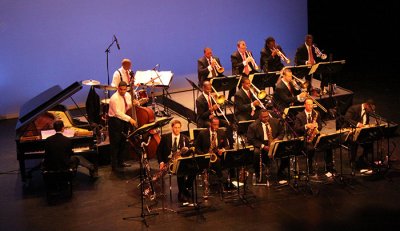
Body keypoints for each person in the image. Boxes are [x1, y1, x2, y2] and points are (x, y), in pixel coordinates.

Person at [294, 98, 335, 175]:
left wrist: (317, 126)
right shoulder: (299, 116)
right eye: (308, 104)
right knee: (310, 149)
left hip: (315, 136)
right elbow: (296, 129)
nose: (310, 106)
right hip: (305, 138)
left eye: (311, 104)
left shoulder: (316, 113)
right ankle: (310, 168)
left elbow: (320, 126)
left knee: (329, 145)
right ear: (305, 105)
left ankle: (329, 167)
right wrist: (306, 126)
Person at [156, 120, 193, 202]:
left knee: (193, 169)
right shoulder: (165, 137)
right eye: (175, 127)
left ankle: (184, 188)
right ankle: (182, 192)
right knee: (181, 170)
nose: (177, 130)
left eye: (178, 128)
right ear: (172, 127)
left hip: (180, 161)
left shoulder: (184, 138)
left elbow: (188, 152)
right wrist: (161, 162)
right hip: (169, 162)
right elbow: (159, 151)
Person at [108, 81, 139, 172]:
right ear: (118, 88)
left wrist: (135, 103)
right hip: (115, 121)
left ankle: (121, 162)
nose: (123, 91)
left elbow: (129, 105)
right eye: (121, 89)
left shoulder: (128, 95)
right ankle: (114, 165)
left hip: (124, 120)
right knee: (115, 143)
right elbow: (118, 113)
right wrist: (130, 119)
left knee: (123, 141)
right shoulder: (114, 98)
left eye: (125, 89)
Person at [247, 109, 284, 180]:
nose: (266, 118)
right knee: (256, 153)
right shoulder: (253, 126)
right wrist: (263, 146)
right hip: (261, 143)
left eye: (267, 116)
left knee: (286, 149)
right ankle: (257, 173)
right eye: (264, 117)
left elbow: (282, 132)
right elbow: (251, 139)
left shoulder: (275, 121)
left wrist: (277, 139)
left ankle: (281, 171)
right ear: (259, 117)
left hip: (274, 142)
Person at [195, 81, 234, 147]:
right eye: (208, 89)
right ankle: (215, 145)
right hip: (205, 120)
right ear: (203, 88)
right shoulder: (199, 100)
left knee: (227, 123)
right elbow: (202, 116)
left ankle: (230, 144)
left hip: (213, 118)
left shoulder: (212, 96)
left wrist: (219, 105)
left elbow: (219, 111)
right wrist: (211, 110)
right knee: (211, 125)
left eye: (210, 89)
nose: (209, 91)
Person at [344, 99, 376, 170]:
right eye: (371, 109)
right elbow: (346, 119)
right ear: (367, 105)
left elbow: (366, 122)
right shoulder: (353, 108)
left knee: (370, 140)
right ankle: (352, 161)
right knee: (354, 141)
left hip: (362, 131)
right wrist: (358, 124)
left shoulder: (367, 111)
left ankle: (363, 158)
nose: (372, 111)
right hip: (351, 131)